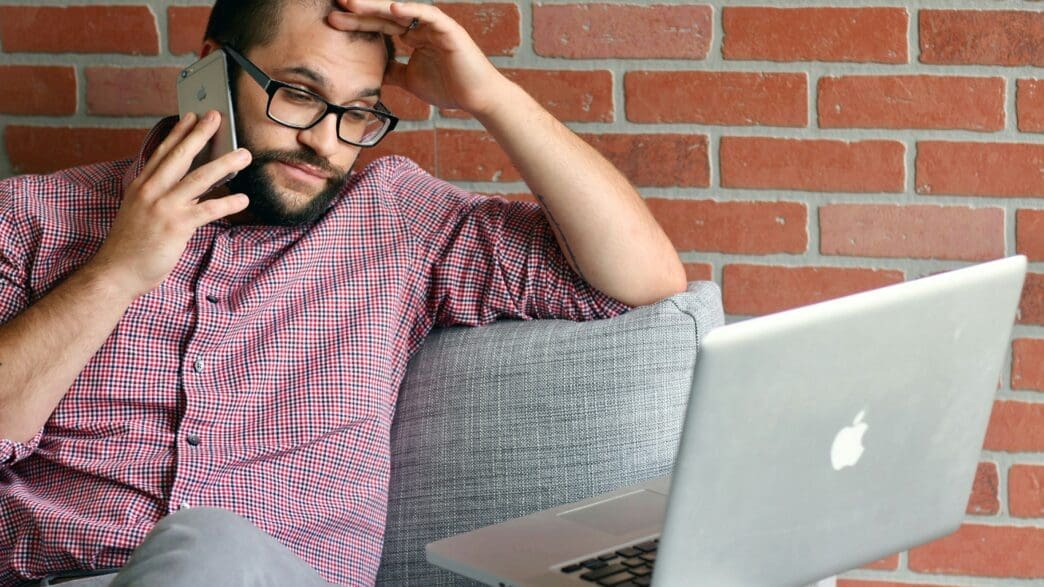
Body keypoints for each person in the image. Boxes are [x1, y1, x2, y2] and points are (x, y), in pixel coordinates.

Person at [0, 0, 687, 585]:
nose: (326, 143)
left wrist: (489, 95)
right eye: (297, 95)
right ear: (212, 68)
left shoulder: (396, 221)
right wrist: (116, 271)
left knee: (210, 547)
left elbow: (642, 276)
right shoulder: (32, 216)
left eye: (358, 113)